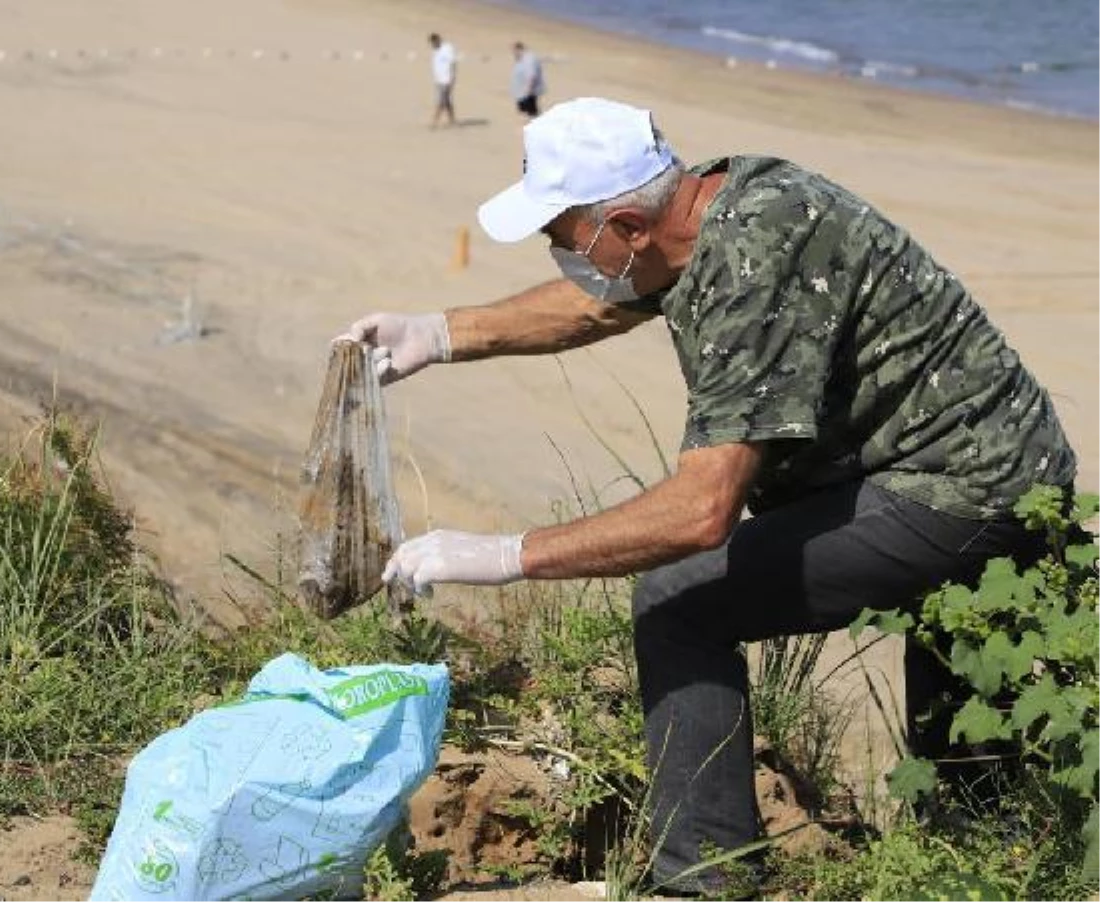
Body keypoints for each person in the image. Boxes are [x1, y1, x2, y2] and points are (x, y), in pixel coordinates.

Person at [340, 97, 1077, 895]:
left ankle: (704, 881)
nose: (562, 257)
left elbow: (701, 512)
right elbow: (601, 301)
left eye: (562, 237)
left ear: (626, 225)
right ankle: (988, 864)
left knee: (682, 600)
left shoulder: (753, 263)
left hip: (966, 489)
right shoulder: (709, 209)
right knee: (966, 758)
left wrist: (506, 555)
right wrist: (439, 334)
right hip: (980, 463)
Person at [428, 33, 457, 129]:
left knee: (441, 100)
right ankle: (452, 120)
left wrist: (452, 78)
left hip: (447, 79)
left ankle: (434, 121)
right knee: (447, 101)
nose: (433, 45)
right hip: (439, 80)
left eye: (434, 43)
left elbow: (453, 63)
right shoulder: (435, 51)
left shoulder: (447, 48)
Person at [510, 41, 545, 120]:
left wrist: (529, 88)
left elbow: (532, 74)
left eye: (514, 51)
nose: (513, 53)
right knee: (524, 109)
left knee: (529, 110)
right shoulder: (521, 59)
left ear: (519, 49)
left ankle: (534, 123)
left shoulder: (529, 59)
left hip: (529, 90)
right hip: (523, 90)